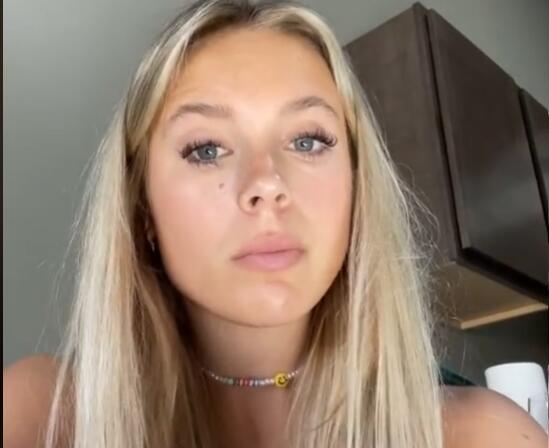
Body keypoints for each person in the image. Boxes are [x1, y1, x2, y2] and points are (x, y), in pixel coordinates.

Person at [3, 1, 547, 447]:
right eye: (206, 148)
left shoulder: (486, 435)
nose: (267, 182)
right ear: (142, 210)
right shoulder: (39, 418)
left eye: (308, 141)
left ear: (357, 187)